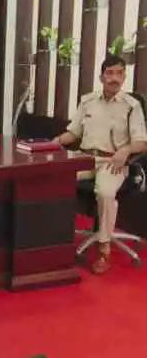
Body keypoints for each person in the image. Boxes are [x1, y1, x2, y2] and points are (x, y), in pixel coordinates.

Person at [53, 55, 147, 274]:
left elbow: (142, 142)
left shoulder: (131, 106)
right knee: (53, 179)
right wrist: (55, 141)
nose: (114, 78)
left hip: (112, 162)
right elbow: (73, 132)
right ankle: (54, 240)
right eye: (110, 73)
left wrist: (125, 150)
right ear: (101, 77)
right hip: (85, 158)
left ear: (124, 76)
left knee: (105, 192)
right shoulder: (88, 101)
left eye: (119, 73)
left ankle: (104, 249)